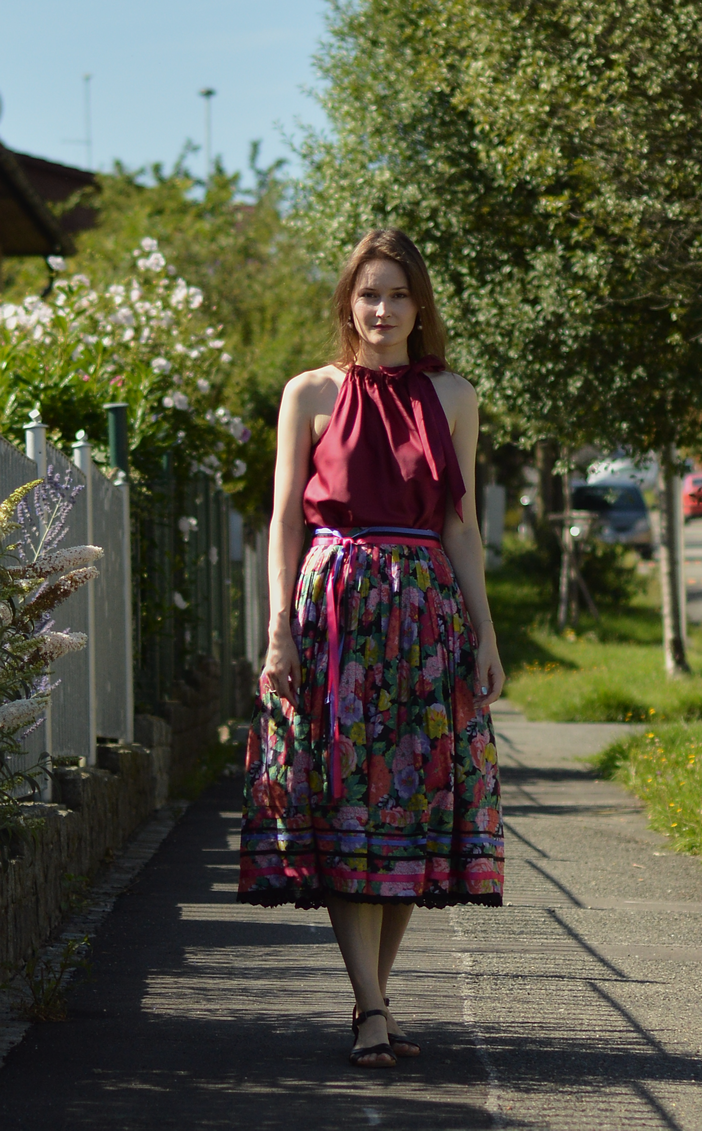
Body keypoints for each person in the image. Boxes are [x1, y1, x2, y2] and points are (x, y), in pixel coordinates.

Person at [238, 228, 505, 1069]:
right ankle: (373, 1011)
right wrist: (277, 624)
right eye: (368, 294)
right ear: (348, 304)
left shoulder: (454, 394)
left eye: (396, 293)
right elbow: (284, 519)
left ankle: (373, 1002)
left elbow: (460, 527)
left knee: (411, 814)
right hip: (335, 611)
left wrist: (485, 634)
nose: (382, 309)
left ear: (419, 305)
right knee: (348, 807)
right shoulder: (309, 393)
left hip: (425, 620)